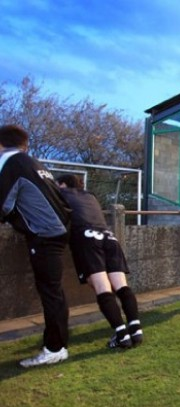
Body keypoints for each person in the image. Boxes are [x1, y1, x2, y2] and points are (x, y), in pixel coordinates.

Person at [0, 125, 72, 367]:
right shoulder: (35, 164)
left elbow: (4, 204)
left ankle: (54, 348)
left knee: (51, 293)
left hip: (44, 235)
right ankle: (57, 344)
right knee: (56, 293)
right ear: (25, 144)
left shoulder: (11, 163)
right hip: (57, 232)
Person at [57, 174, 143, 349]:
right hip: (109, 236)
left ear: (64, 184)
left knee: (102, 288)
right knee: (121, 286)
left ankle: (121, 336)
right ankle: (135, 329)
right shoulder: (90, 196)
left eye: (58, 185)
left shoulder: (62, 195)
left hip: (87, 237)